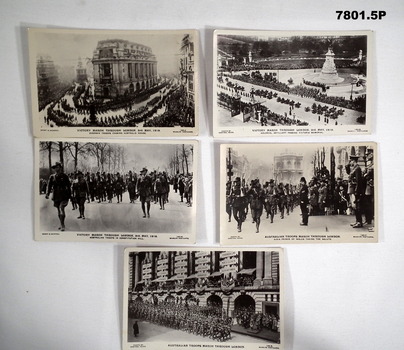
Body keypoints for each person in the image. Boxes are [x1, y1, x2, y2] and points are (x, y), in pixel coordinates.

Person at [45, 162, 71, 231]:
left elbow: (68, 186)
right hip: (56, 195)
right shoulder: (52, 177)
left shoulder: (64, 176)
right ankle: (61, 223)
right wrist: (47, 193)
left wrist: (70, 195)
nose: (56, 169)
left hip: (63, 195)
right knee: (58, 211)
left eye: (57, 167)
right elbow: (49, 186)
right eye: (55, 167)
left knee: (61, 208)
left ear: (60, 167)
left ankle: (62, 225)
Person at [347, 154, 365, 228]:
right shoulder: (354, 168)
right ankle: (357, 221)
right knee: (355, 206)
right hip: (354, 189)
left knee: (357, 206)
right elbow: (348, 171)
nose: (350, 162)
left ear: (353, 161)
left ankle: (359, 222)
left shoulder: (357, 168)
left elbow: (358, 180)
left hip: (356, 190)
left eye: (350, 161)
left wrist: (357, 190)